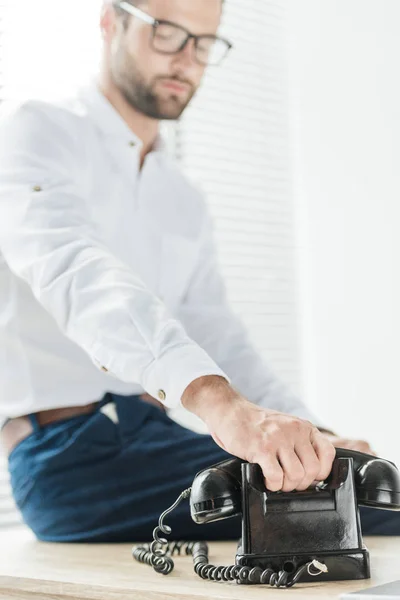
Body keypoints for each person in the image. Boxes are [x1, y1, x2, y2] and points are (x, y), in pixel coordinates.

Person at [0, 0, 396, 543]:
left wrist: (322, 437)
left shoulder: (182, 198)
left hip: (152, 436)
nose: (187, 59)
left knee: (350, 493)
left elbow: (220, 334)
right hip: (69, 454)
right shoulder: (37, 131)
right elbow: (77, 272)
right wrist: (218, 402)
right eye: (167, 33)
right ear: (109, 23)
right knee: (352, 511)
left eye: (205, 43)